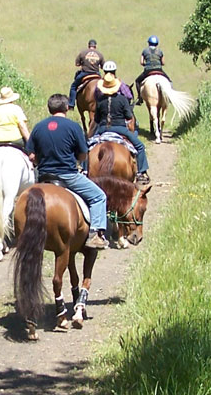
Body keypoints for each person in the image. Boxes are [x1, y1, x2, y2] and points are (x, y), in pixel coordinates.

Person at [26, 94, 109, 250]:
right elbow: (84, 154)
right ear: (66, 108)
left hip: (43, 176)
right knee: (99, 197)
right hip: (68, 175)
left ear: (49, 108)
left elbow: (31, 155)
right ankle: (95, 233)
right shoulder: (73, 127)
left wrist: (40, 162)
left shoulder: (38, 127)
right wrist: (77, 160)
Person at [93, 61, 151, 185]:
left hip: (103, 129)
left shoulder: (100, 101)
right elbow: (129, 116)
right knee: (140, 146)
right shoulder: (122, 99)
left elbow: (97, 119)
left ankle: (83, 169)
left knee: (87, 146)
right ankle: (141, 172)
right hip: (120, 129)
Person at [68, 38, 104, 110]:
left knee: (73, 87)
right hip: (96, 74)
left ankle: (71, 104)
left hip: (85, 74)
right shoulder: (100, 54)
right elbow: (103, 66)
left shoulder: (83, 53)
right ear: (95, 46)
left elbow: (77, 64)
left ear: (89, 45)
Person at [135, 34, 171, 104]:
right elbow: (163, 63)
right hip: (159, 70)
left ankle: (140, 98)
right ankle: (169, 98)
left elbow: (141, 62)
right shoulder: (160, 51)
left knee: (137, 81)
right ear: (157, 44)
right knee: (169, 81)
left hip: (148, 70)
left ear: (149, 43)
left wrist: (146, 64)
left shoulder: (145, 51)